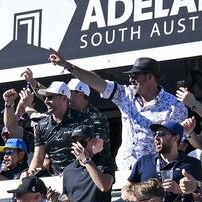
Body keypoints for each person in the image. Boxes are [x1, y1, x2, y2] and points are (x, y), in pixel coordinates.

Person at [51, 53, 187, 174]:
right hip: (124, 168)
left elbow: (179, 145)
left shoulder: (175, 106)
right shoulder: (125, 94)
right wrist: (67, 65)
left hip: (153, 171)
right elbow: (96, 82)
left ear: (150, 77)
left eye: (134, 76)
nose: (130, 80)